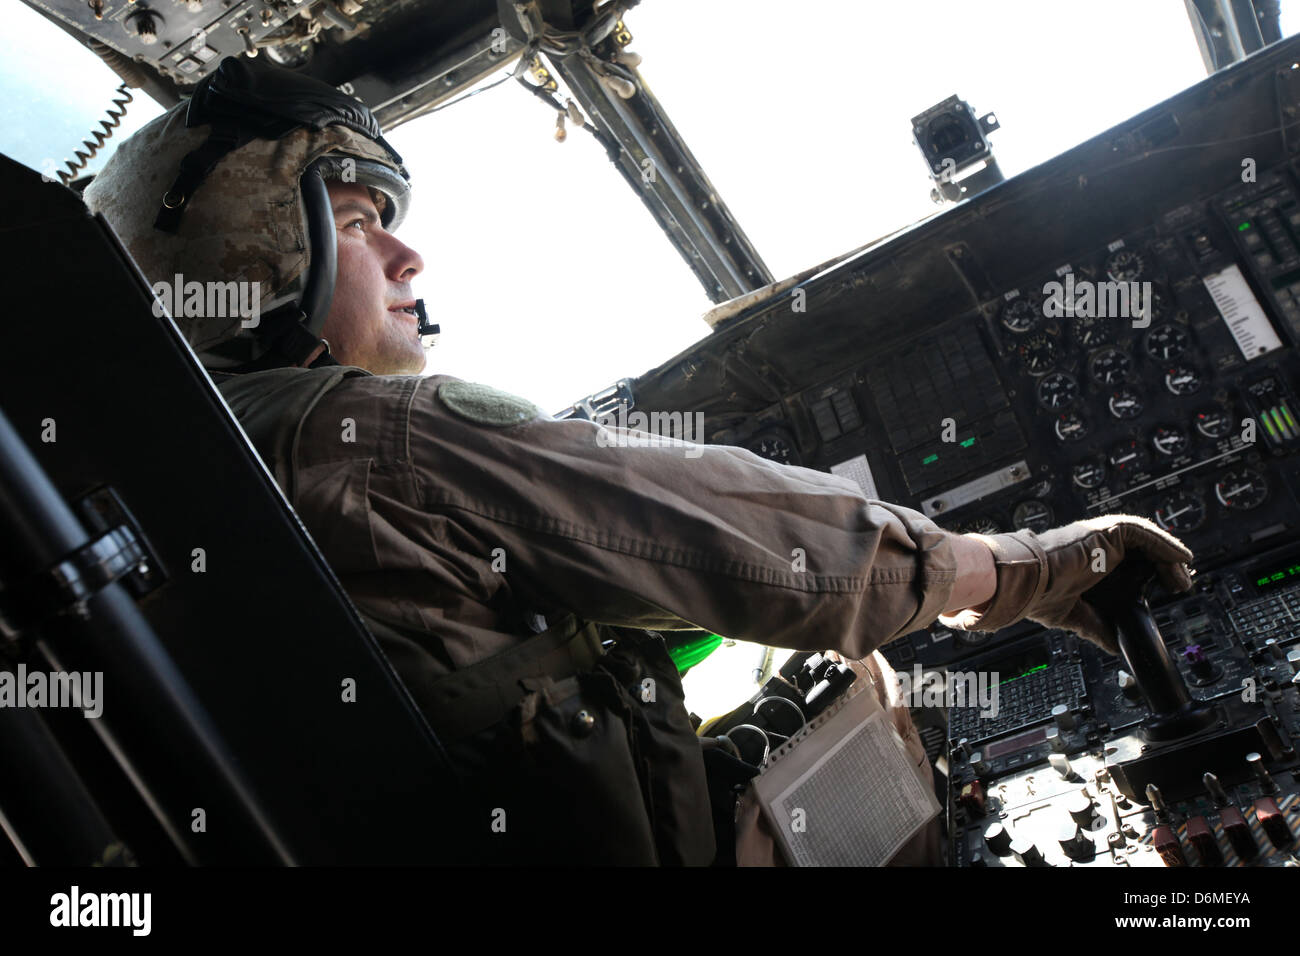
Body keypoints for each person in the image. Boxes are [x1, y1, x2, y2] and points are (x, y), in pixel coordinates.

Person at [83, 57, 1194, 866]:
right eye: (362, 217)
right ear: (255, 245)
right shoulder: (377, 431)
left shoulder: (137, 501)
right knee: (870, 707)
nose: (409, 249)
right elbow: (797, 559)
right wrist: (1020, 567)